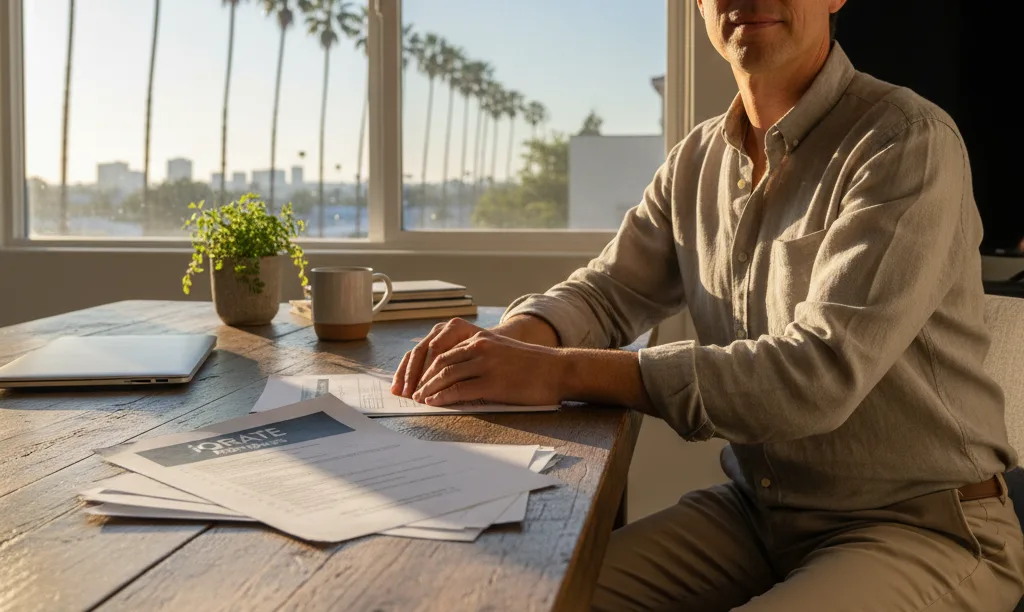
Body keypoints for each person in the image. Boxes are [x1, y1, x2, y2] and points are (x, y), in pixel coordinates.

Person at [391, 0, 1024, 608]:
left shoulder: (905, 141)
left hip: (920, 528)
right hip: (757, 514)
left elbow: (817, 376)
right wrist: (515, 341)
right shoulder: (696, 160)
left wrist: (559, 371)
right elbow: (609, 291)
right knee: (518, 596)